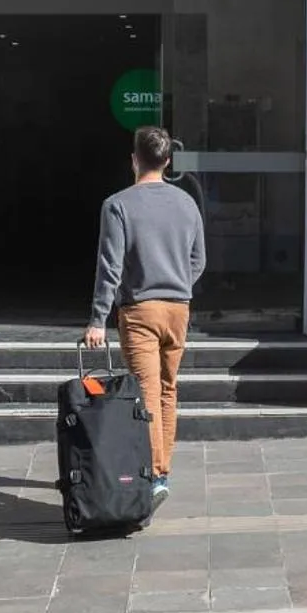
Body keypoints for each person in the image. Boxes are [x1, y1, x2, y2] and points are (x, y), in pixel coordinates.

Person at [83, 125, 206, 513]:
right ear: (167, 160)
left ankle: (153, 476)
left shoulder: (118, 205)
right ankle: (161, 470)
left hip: (140, 311)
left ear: (134, 159)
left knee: (147, 393)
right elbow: (199, 259)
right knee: (169, 390)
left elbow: (110, 268)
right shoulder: (187, 203)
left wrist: (97, 319)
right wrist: (180, 283)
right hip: (178, 308)